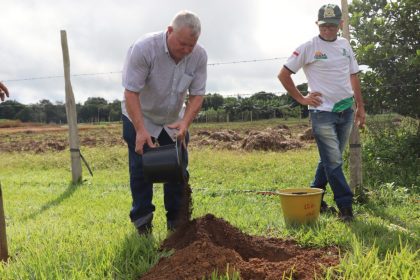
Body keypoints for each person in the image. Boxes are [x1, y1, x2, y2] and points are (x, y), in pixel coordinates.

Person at [121, 10, 207, 234]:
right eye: (182, 44)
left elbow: (197, 94)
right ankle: (143, 224)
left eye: (192, 45)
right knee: (141, 170)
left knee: (178, 169)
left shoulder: (199, 56)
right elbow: (130, 93)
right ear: (170, 31)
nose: (187, 50)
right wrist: (140, 130)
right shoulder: (144, 49)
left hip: (172, 119)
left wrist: (185, 123)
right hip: (140, 114)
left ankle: (177, 226)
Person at [278, 4, 365, 222]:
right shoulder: (308, 47)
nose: (328, 29)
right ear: (317, 24)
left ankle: (315, 197)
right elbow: (283, 74)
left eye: (333, 25)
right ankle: (346, 207)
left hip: (346, 110)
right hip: (322, 113)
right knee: (334, 160)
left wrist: (360, 106)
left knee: (329, 158)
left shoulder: (345, 45)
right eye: (324, 25)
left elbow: (354, 75)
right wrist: (301, 98)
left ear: (341, 24)